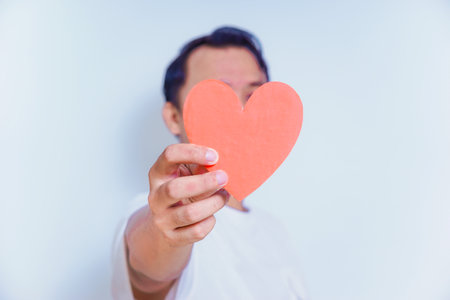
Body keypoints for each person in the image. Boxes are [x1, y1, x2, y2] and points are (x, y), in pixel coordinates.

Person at [111, 26, 307, 300]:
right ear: (174, 118)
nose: (240, 112)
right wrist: (165, 235)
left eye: (253, 96)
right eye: (217, 98)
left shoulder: (276, 231)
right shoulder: (155, 214)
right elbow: (149, 274)